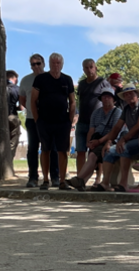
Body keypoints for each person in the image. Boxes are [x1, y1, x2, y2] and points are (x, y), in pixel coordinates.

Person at [30, 53, 76, 191]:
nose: (56, 65)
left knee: (62, 151)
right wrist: (37, 119)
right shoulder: (41, 79)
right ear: (49, 64)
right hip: (44, 121)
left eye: (58, 63)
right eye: (53, 63)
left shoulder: (67, 79)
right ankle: (45, 180)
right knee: (45, 150)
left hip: (63, 122)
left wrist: (70, 119)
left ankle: (62, 181)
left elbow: (72, 101)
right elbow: (33, 100)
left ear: (62, 64)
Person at [106, 84, 139, 192]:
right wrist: (109, 141)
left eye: (131, 93)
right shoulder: (126, 109)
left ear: (137, 94)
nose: (128, 96)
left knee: (124, 148)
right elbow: (117, 127)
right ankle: (104, 182)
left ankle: (125, 183)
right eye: (126, 95)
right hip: (136, 140)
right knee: (109, 151)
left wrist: (123, 139)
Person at [71, 88, 121, 191]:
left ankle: (80, 179)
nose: (106, 99)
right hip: (97, 140)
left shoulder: (117, 112)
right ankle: (82, 180)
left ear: (113, 99)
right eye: (104, 97)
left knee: (93, 155)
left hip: (111, 140)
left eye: (108, 97)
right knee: (92, 154)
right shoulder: (96, 113)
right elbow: (91, 130)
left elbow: (114, 132)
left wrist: (99, 142)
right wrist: (90, 143)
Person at [19, 54, 53, 188]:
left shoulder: (51, 78)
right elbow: (22, 98)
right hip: (31, 119)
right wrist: (27, 110)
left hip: (48, 120)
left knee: (50, 148)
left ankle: (53, 177)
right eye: (33, 64)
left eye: (38, 63)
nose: (36, 66)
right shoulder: (26, 80)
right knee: (32, 148)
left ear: (44, 64)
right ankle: (33, 177)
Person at [73, 59, 110, 186]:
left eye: (91, 67)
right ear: (83, 69)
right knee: (80, 151)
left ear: (95, 67)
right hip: (82, 122)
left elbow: (109, 101)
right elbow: (79, 101)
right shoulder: (82, 84)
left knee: (96, 152)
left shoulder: (103, 83)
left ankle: (98, 178)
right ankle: (80, 179)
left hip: (97, 124)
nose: (89, 70)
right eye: (86, 68)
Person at [6, 69, 22, 169]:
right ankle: (8, 166)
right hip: (12, 116)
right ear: (14, 78)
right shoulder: (17, 89)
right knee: (13, 142)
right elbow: (21, 107)